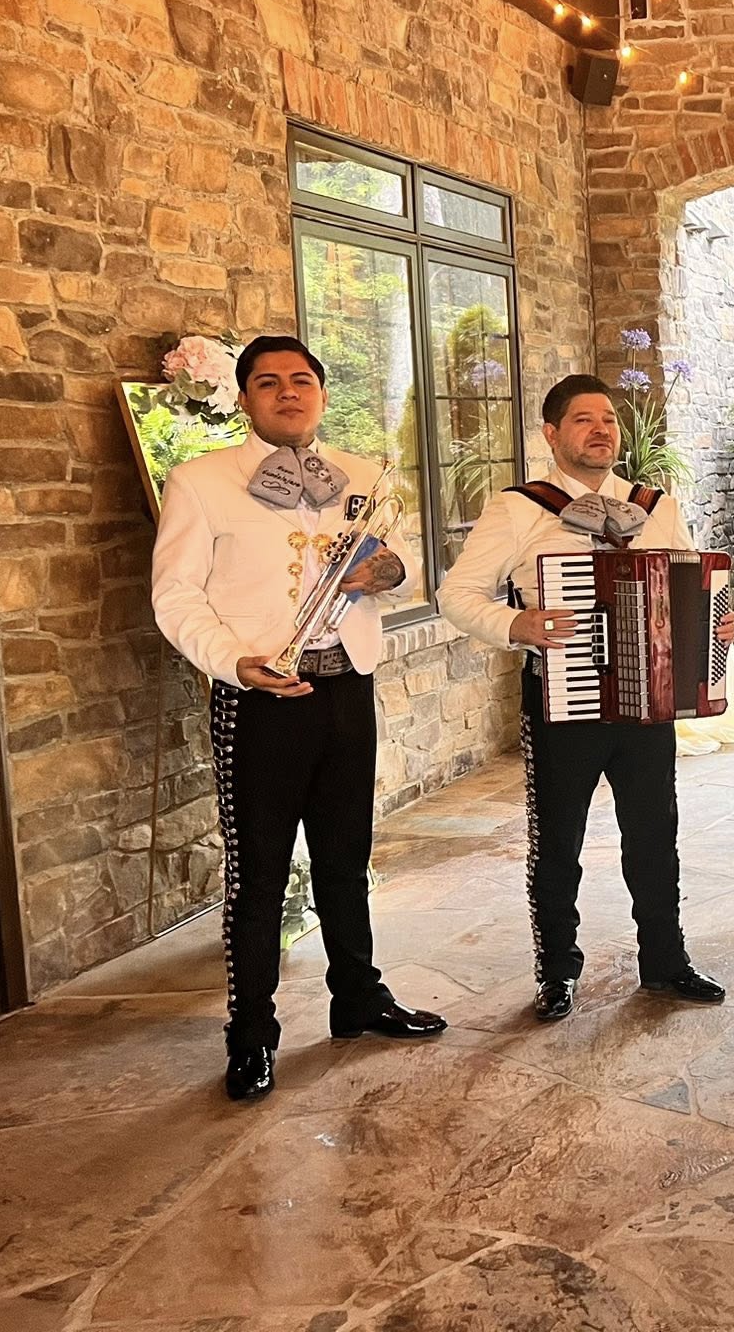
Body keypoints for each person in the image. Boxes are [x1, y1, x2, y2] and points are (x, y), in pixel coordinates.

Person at [151, 335, 446, 1102]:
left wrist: (390, 570)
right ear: (245, 398)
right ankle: (251, 1033)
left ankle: (358, 999)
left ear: (320, 391)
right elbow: (176, 594)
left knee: (347, 861)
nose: (289, 391)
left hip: (346, 687)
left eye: (303, 379)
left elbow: (397, 558)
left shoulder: (365, 474)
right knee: (258, 877)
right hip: (258, 700)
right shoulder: (200, 482)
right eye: (270, 381)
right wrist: (230, 661)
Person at [438, 374, 728, 1022]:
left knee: (655, 837)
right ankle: (558, 972)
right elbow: (456, 594)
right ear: (552, 434)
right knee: (558, 842)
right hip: (563, 700)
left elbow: (694, 587)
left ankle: (666, 961)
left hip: (645, 703)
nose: (601, 430)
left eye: (609, 419)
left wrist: (715, 620)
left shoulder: (656, 506)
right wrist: (518, 625)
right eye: (582, 420)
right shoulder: (521, 508)